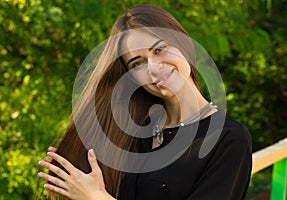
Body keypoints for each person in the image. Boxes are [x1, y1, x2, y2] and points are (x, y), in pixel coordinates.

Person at [37, 4, 252, 200]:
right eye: (137, 63)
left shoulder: (228, 139)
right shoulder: (133, 132)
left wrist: (96, 197)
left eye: (159, 50)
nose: (153, 68)